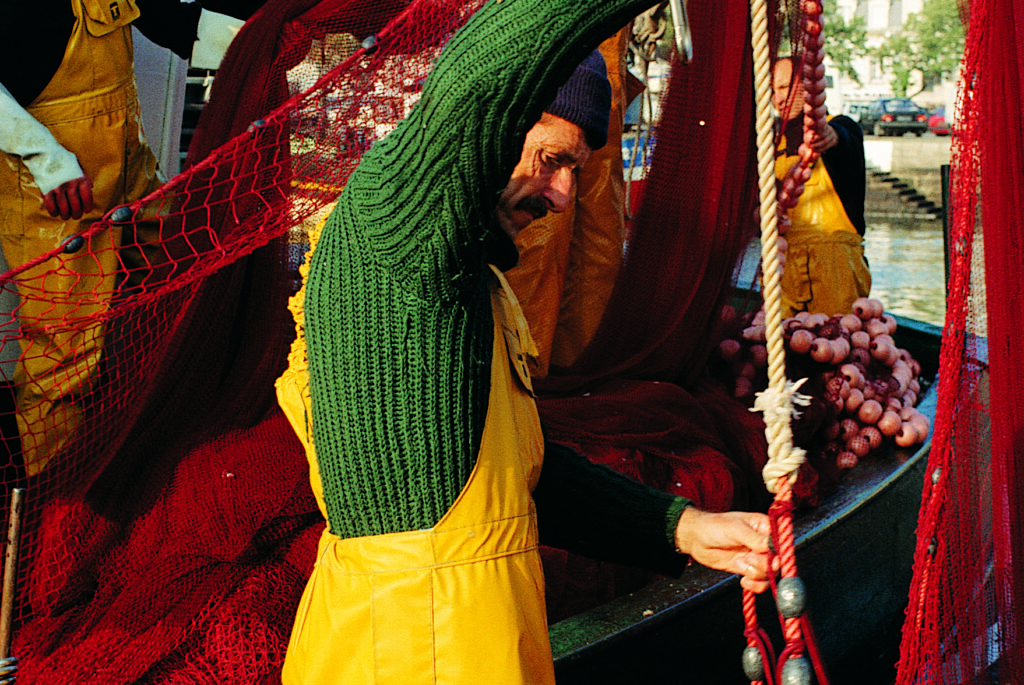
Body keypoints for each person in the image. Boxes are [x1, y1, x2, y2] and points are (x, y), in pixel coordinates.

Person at [274, 1, 773, 682]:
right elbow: (484, 71)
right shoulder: (395, 235)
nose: (564, 194)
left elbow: (511, 482)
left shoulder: (472, 281)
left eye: (576, 169)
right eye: (550, 160)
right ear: (494, 126)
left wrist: (678, 526)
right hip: (406, 655)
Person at [0, 0, 261, 475]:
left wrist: (269, 43)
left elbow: (175, 21)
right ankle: (55, 499)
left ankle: (136, 451)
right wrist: (44, 157)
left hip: (129, 168)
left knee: (178, 280)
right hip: (54, 190)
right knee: (65, 356)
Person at [771, 56, 872, 317]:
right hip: (785, 266)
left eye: (784, 87)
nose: (777, 98)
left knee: (837, 342)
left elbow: (841, 137)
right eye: (772, 91)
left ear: (808, 86)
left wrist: (829, 136)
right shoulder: (770, 142)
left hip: (835, 268)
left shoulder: (841, 125)